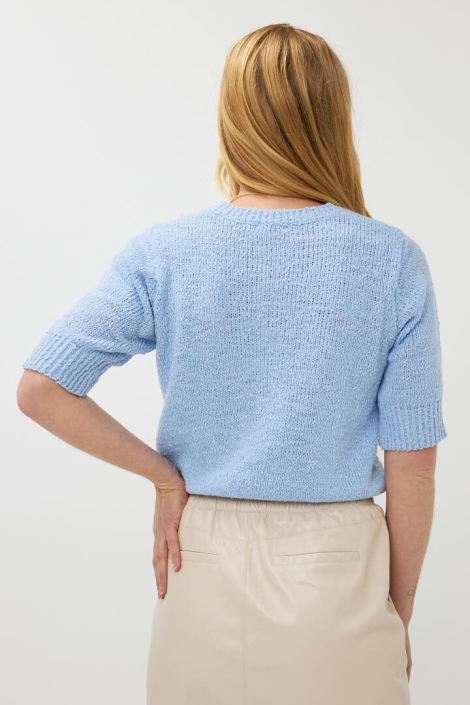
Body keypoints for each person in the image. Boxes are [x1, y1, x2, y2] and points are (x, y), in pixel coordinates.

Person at [17, 22, 447, 705]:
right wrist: (400, 606)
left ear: (232, 120)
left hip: (199, 562)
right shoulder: (392, 260)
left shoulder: (165, 253)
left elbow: (41, 388)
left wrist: (163, 477)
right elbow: (413, 465)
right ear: (334, 119)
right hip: (338, 569)